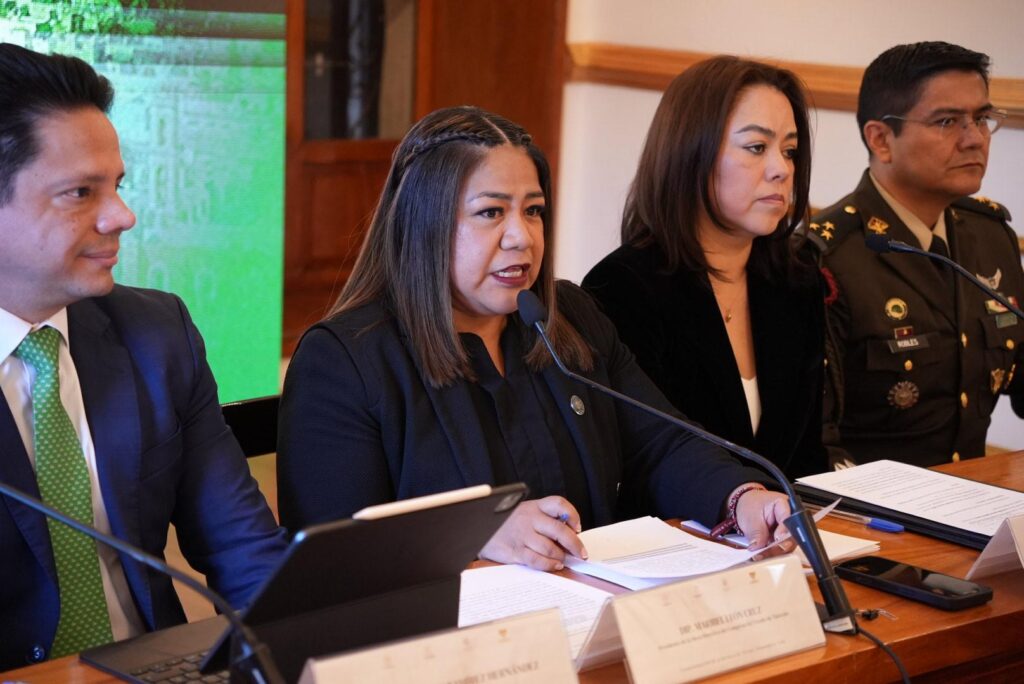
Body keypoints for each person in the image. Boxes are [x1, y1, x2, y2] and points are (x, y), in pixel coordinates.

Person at [277, 105, 793, 573]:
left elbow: (660, 446)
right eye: (491, 212)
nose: (522, 237)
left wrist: (741, 498)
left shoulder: (569, 318)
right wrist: (476, 532)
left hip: (589, 609)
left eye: (533, 210)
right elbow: (332, 555)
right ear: (424, 224)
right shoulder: (344, 360)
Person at [0, 44, 286, 669]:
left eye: (118, 187)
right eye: (81, 192)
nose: (122, 216)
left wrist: (300, 653)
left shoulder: (155, 333)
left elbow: (243, 549)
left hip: (153, 668)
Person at [582, 56, 828, 479]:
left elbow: (808, 456)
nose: (782, 170)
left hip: (790, 517)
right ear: (691, 152)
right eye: (757, 147)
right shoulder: (623, 287)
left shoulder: (797, 280)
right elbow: (642, 463)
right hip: (675, 518)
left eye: (789, 151)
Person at [805, 41, 1023, 468]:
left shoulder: (991, 235)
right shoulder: (827, 258)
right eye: (947, 122)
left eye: (981, 119)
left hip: (980, 492)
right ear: (881, 139)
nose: (974, 140)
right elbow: (816, 445)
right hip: (873, 503)